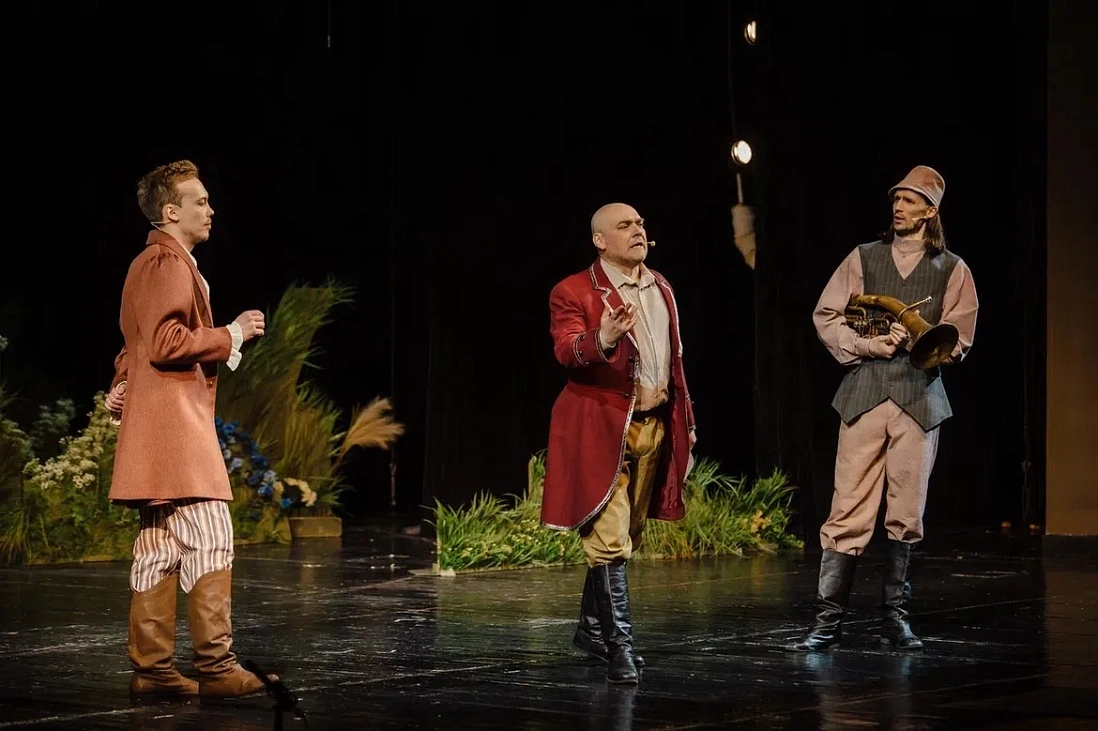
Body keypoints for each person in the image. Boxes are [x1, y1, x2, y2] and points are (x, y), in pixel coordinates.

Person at [103, 159, 274, 698]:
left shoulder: (153, 262)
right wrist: (231, 333)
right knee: (211, 536)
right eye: (199, 201)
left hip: (155, 431)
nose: (210, 209)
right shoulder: (166, 262)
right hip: (175, 432)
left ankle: (153, 671)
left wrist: (122, 382)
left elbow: (137, 346)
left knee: (160, 547)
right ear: (170, 211)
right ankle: (216, 668)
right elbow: (165, 342)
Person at [791, 165, 978, 652]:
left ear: (930, 212)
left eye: (910, 201)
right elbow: (826, 315)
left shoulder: (953, 269)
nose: (899, 207)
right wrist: (869, 344)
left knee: (906, 510)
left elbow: (958, 338)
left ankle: (895, 619)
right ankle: (827, 622)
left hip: (919, 398)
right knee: (847, 508)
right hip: (864, 395)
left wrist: (921, 341)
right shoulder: (863, 257)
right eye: (897, 199)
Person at [542, 202, 697, 683]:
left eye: (640, 223)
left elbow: (674, 362)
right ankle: (620, 648)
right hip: (601, 427)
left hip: (653, 426)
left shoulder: (661, 286)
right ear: (600, 240)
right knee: (609, 542)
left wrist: (686, 421)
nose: (638, 230)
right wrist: (603, 337)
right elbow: (566, 349)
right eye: (625, 225)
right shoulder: (573, 290)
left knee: (629, 534)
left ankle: (591, 630)